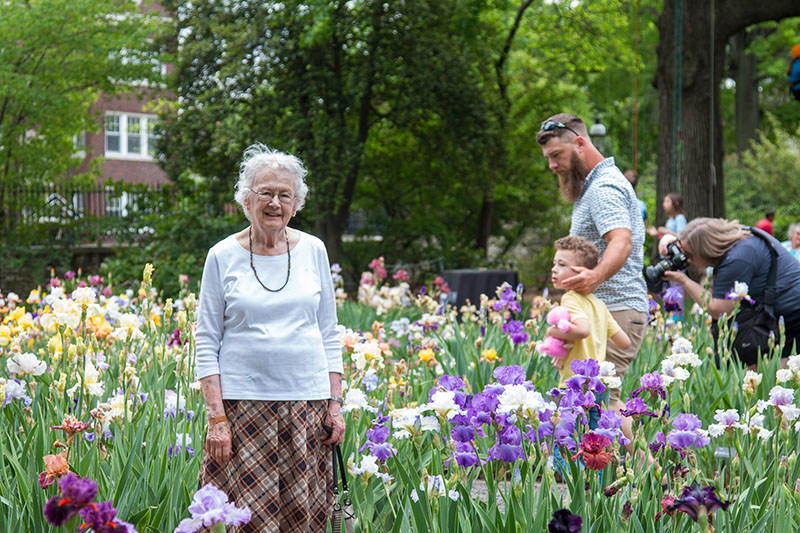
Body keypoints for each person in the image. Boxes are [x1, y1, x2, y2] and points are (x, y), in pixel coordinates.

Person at [195, 143, 344, 532]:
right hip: (244, 411)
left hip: (306, 409)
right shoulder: (222, 255)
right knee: (245, 520)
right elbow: (206, 340)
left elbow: (329, 332)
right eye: (265, 192)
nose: (275, 202)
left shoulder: (314, 250)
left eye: (284, 194)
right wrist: (216, 419)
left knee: (303, 517)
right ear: (246, 199)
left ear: (297, 204)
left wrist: (335, 405)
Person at [536, 113, 649, 446]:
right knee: (599, 402)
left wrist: (595, 276)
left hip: (616, 310)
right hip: (603, 312)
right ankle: (620, 485)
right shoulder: (591, 187)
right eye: (548, 158)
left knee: (605, 402)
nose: (552, 165)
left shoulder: (603, 188)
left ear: (580, 143)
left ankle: (654, 482)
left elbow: (621, 241)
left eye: (557, 155)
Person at [664, 218, 800, 364]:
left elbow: (719, 310)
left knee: (779, 377)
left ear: (704, 249)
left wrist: (684, 280)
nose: (687, 260)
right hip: (782, 310)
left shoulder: (736, 259)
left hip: (792, 316)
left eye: (689, 255)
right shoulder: (740, 236)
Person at [548, 236, 631, 385]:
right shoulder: (600, 305)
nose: (554, 269)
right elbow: (624, 342)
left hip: (574, 382)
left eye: (561, 264)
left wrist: (550, 332)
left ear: (582, 271)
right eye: (554, 263)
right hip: (596, 383)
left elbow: (582, 331)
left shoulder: (570, 298)